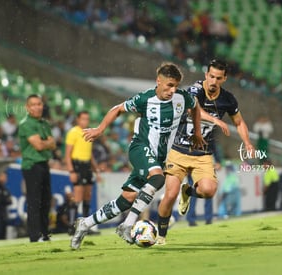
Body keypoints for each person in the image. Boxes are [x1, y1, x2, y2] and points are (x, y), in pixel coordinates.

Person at [70, 62, 205, 249]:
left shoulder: (182, 98)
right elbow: (117, 109)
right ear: (159, 81)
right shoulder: (145, 99)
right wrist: (100, 129)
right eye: (169, 85)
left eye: (175, 86)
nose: (172, 90)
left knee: (126, 199)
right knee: (158, 178)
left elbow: (196, 107)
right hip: (140, 148)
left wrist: (197, 132)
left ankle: (85, 223)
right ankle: (127, 224)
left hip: (158, 157)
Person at [156, 59, 254, 244]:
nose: (213, 81)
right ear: (205, 75)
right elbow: (195, 109)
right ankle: (160, 235)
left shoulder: (228, 99)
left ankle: (188, 192)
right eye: (211, 76)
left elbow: (239, 122)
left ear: (224, 79)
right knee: (169, 195)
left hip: (203, 155)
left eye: (218, 78)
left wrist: (247, 143)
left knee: (209, 191)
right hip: (179, 150)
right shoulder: (195, 90)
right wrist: (216, 120)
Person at [19, 94, 56, 242]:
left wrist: (45, 143)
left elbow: (53, 144)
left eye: (39, 104)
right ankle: (35, 236)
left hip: (44, 163)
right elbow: (39, 145)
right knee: (34, 201)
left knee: (46, 200)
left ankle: (45, 233)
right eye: (33, 104)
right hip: (31, 165)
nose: (37, 107)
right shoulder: (25, 124)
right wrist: (46, 142)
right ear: (27, 107)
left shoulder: (45, 124)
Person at [65, 111, 101, 217]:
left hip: (87, 166)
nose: (85, 121)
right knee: (77, 197)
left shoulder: (89, 132)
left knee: (87, 197)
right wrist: (71, 171)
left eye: (87, 119)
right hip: (77, 165)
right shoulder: (73, 132)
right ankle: (73, 225)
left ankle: (85, 224)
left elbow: (90, 155)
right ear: (78, 119)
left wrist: (96, 170)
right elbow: (67, 154)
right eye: (83, 119)